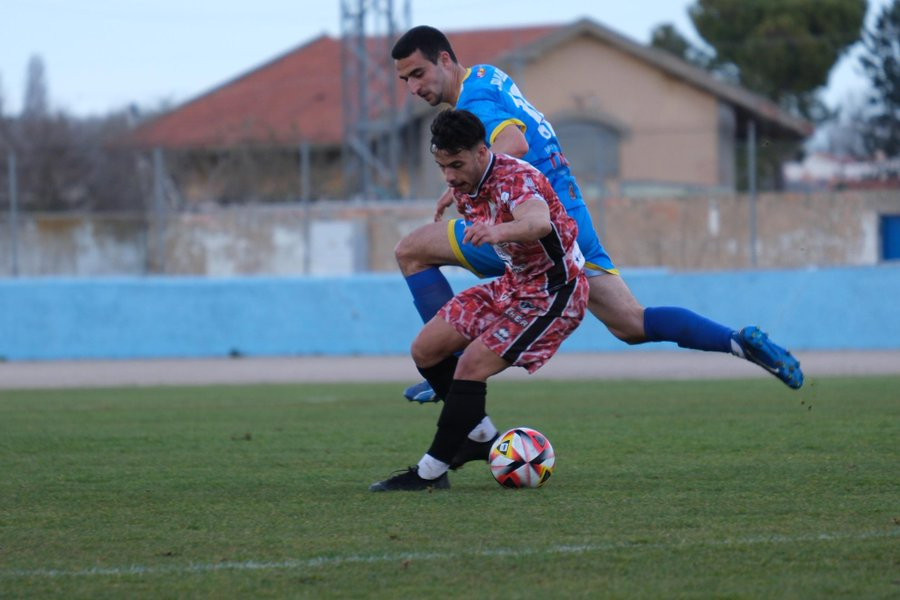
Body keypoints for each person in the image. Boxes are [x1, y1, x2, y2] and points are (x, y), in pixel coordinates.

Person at [390, 25, 803, 407]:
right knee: (630, 323)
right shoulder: (484, 75)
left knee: (411, 251)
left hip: (534, 223)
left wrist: (468, 187)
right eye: (405, 79)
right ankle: (737, 341)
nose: (413, 87)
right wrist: (461, 179)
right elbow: (504, 147)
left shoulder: (474, 99)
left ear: (445, 59)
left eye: (418, 73)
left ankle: (448, 368)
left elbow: (512, 144)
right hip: (570, 212)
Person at [369, 109, 588, 491]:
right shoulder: (464, 182)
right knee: (426, 349)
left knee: (470, 365)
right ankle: (481, 435)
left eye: (456, 164)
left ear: (482, 152)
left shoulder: (515, 179)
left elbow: (538, 223)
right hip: (513, 286)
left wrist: (495, 231)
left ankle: (428, 473)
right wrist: (446, 196)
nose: (450, 175)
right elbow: (462, 187)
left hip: (553, 294)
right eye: (442, 167)